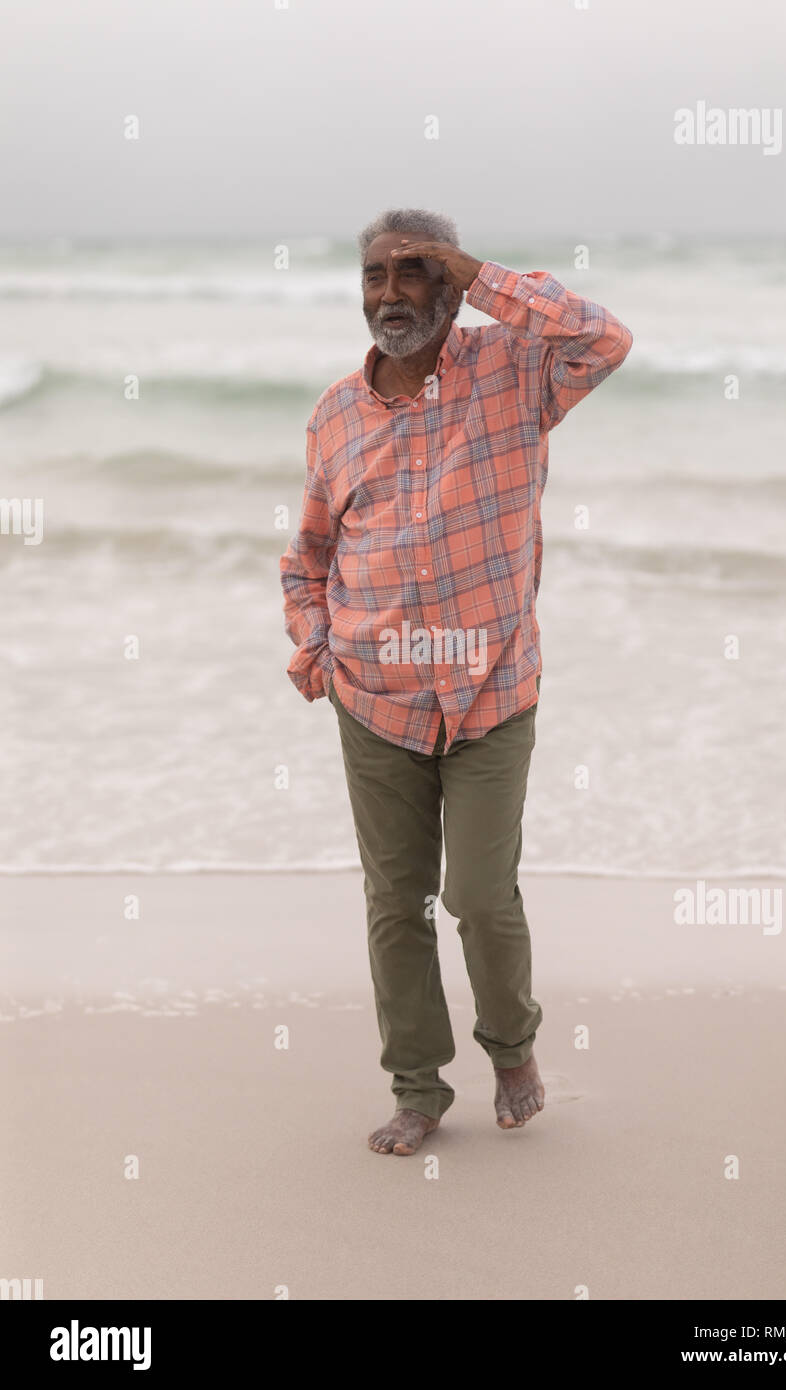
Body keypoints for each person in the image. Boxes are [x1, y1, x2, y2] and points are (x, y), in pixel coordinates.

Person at [280, 208, 633, 1155]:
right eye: (372, 278)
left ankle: (511, 1048)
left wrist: (479, 272)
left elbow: (605, 338)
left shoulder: (515, 374)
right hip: (374, 699)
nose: (387, 294)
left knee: (479, 892)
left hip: (491, 695)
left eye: (410, 272)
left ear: (447, 283)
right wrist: (315, 644)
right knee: (396, 903)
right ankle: (417, 1087)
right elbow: (307, 556)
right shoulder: (335, 416)